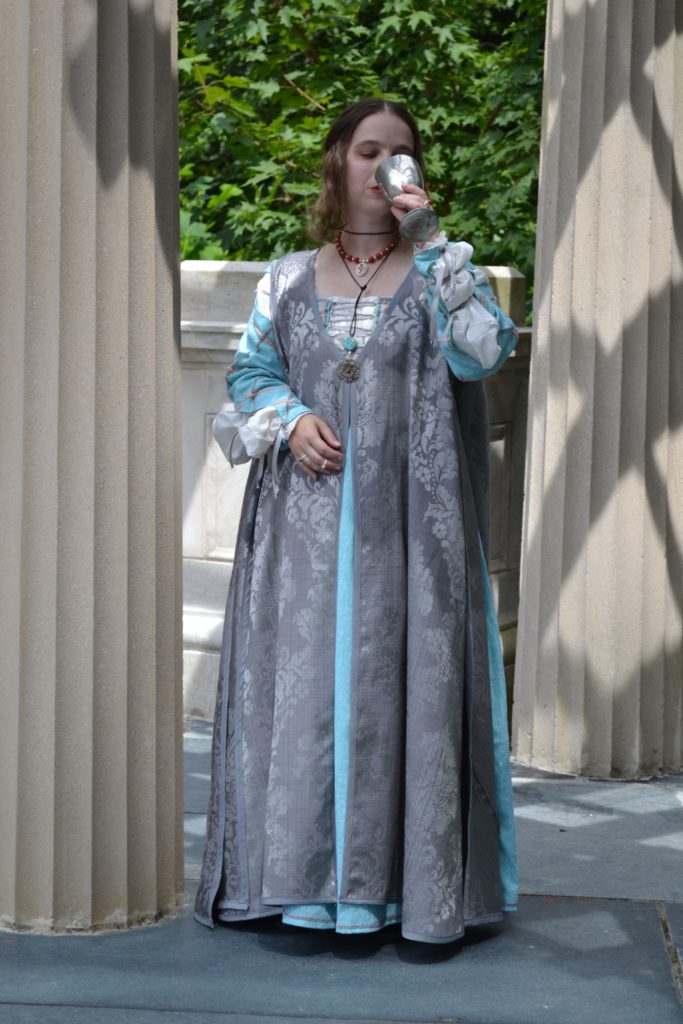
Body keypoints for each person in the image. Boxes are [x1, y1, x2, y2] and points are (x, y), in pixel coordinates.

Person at [194, 98, 519, 944]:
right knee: (307, 696)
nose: (383, 167)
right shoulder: (286, 278)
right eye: (368, 150)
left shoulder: (445, 271)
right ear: (337, 160)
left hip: (411, 534)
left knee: (401, 694)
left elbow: (484, 352)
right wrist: (291, 416)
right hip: (300, 530)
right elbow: (249, 372)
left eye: (400, 153)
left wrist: (432, 243)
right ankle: (301, 890)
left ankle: (402, 899)